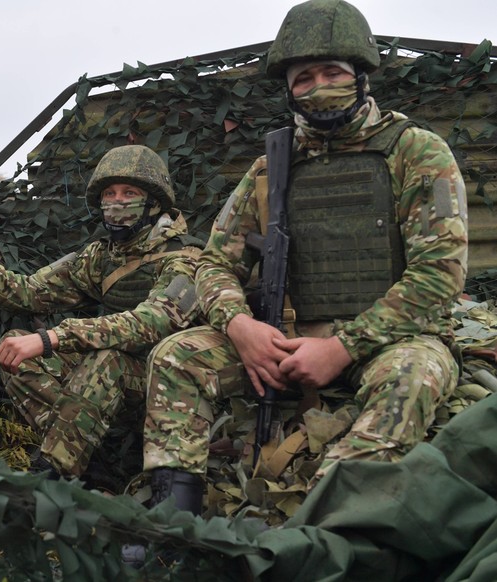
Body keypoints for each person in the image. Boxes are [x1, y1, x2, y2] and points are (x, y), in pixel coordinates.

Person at [140, 0, 469, 517]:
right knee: (176, 355)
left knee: (412, 378)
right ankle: (172, 525)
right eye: (303, 78)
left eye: (332, 72)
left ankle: (322, 528)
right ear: (288, 89)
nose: (318, 86)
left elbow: (439, 275)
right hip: (283, 339)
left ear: (361, 75)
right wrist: (240, 326)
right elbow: (212, 263)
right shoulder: (270, 167)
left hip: (390, 342)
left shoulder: (416, 151)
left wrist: (342, 346)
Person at [0, 144, 204, 481]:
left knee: (106, 360)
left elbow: (151, 322)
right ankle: (93, 468)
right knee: (16, 347)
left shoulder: (183, 257)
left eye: (129, 193)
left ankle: (51, 475)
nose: (117, 202)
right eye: (109, 194)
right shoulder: (101, 256)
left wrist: (55, 336)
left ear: (155, 202)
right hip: (114, 384)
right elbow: (30, 293)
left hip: (170, 387)